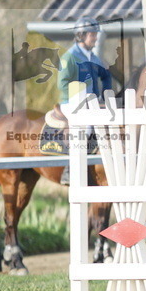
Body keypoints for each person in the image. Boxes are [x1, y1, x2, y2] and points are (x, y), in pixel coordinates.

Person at [50, 16, 115, 184]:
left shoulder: (94, 57)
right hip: (71, 102)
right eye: (93, 34)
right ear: (81, 35)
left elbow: (106, 76)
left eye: (95, 34)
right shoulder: (69, 57)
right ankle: (69, 171)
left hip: (90, 103)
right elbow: (61, 83)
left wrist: (106, 94)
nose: (95, 37)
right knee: (85, 127)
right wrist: (80, 97)